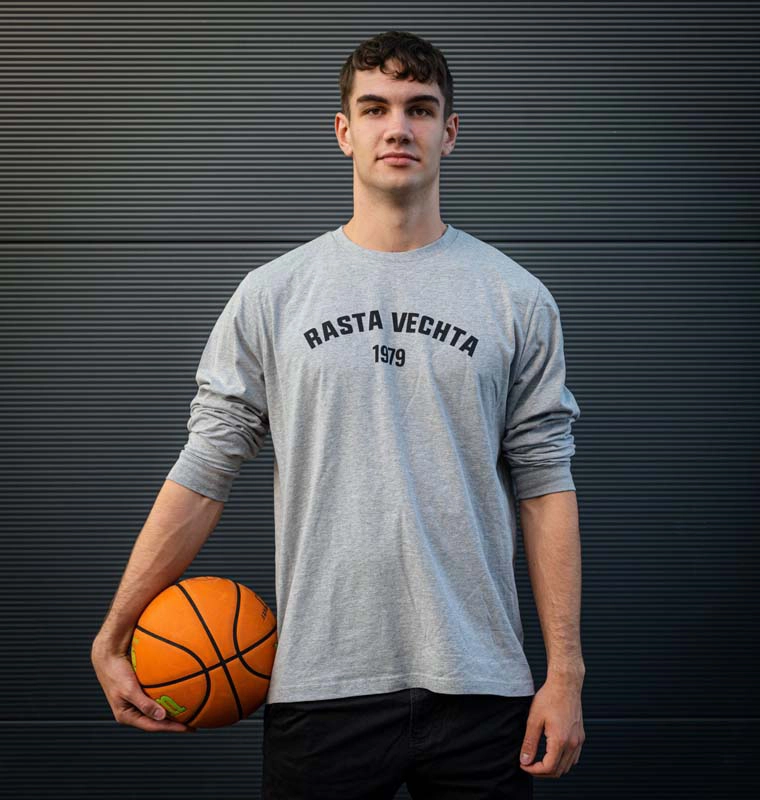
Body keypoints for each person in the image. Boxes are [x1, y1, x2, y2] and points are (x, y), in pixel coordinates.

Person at [91, 29, 586, 799]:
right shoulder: (274, 294)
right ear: (343, 131)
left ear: (449, 133)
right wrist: (115, 629)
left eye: (421, 109)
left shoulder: (515, 298)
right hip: (321, 681)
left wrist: (565, 673)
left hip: (483, 680)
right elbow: (205, 468)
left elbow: (545, 482)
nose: (399, 127)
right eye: (377, 108)